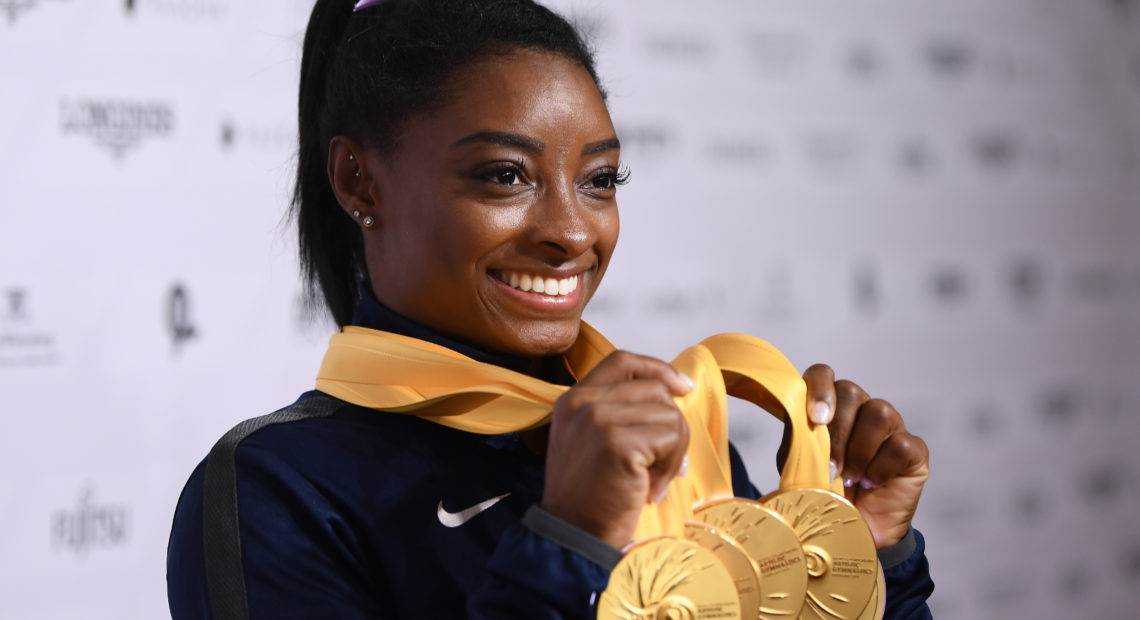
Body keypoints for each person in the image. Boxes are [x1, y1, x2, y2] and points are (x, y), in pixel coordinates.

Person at [166, 0, 934, 618]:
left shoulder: (683, 443)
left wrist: (868, 559)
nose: (572, 231)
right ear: (360, 184)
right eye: (506, 175)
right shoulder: (274, 490)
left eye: (601, 180)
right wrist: (571, 542)